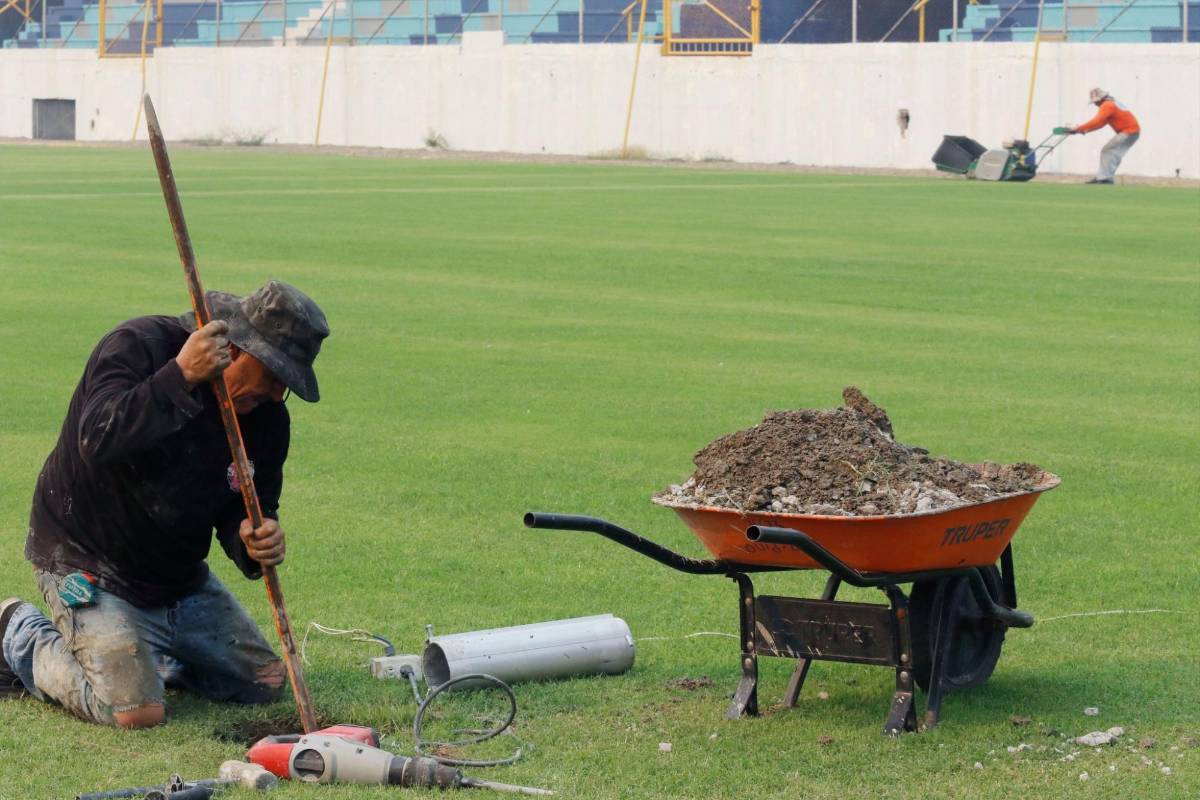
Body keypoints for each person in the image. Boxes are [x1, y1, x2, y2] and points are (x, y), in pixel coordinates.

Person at [0, 280, 329, 729]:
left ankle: (143, 656)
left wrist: (252, 538)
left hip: (176, 580)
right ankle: (19, 633)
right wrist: (181, 376)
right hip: (88, 561)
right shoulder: (138, 346)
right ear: (236, 350)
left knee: (264, 684)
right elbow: (96, 438)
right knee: (136, 713)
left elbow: (246, 506)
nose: (276, 395)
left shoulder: (267, 420)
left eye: (287, 385)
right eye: (275, 376)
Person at [1068, 87, 1141, 184]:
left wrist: (1078, 128)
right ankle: (1103, 177)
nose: (1095, 104)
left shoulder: (1107, 105)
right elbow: (1101, 123)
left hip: (1129, 131)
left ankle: (1104, 178)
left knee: (1108, 150)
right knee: (1109, 151)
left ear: (1101, 98)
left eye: (1096, 101)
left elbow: (1096, 121)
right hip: (1131, 131)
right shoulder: (1111, 104)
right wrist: (1084, 130)